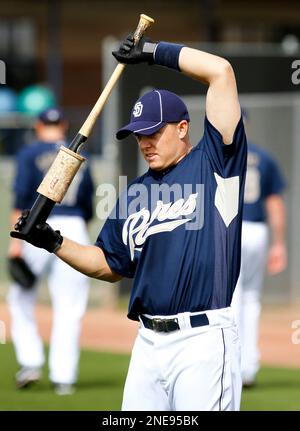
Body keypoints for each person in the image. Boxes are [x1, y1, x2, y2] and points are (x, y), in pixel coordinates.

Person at [11, 35, 247, 410]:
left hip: (202, 341)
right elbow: (109, 264)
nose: (145, 142)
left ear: (183, 128)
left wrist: (153, 52)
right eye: (139, 135)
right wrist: (53, 241)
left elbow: (221, 72)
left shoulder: (215, 163)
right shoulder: (135, 192)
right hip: (148, 345)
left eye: (154, 131)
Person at [7, 108, 94, 395]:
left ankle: (31, 362)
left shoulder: (29, 153)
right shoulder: (83, 157)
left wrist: (16, 243)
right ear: (64, 124)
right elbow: (88, 204)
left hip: (37, 225)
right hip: (74, 226)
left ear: (38, 125)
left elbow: (20, 199)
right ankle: (64, 377)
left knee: (20, 296)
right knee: (70, 305)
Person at [231, 109, 287, 388]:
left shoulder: (224, 156)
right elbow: (274, 203)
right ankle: (249, 368)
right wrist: (278, 244)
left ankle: (232, 366)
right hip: (259, 231)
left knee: (232, 299)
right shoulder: (263, 157)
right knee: (251, 299)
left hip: (233, 231)